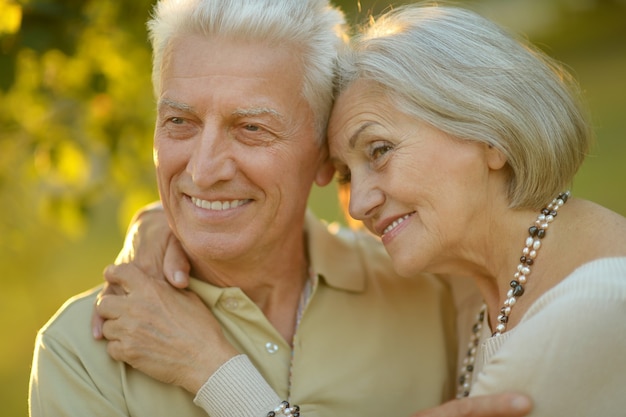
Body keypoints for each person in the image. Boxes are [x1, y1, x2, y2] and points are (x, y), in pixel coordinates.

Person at [28, 1, 531, 416]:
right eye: (180, 121)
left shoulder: (431, 286)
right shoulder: (83, 350)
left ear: (323, 155)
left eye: (251, 128)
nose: (203, 170)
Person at [324, 3, 626, 416]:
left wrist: (218, 370)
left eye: (379, 150)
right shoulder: (478, 292)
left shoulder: (594, 307)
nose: (358, 204)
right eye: (344, 175)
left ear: (490, 133)